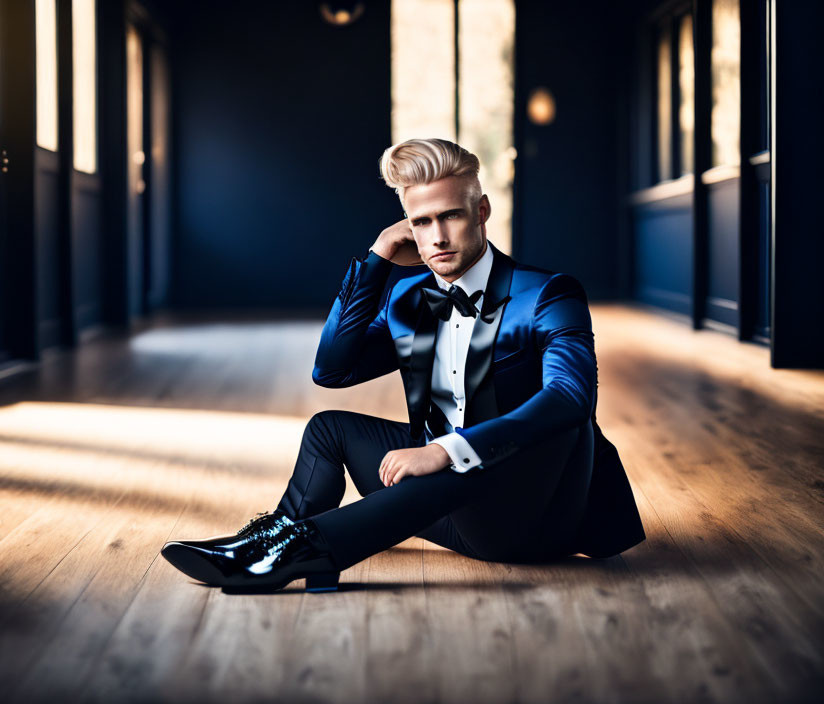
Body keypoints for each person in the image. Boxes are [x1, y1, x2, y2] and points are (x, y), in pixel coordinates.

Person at [161, 138, 645, 594]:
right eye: (421, 222)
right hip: (448, 511)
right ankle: (272, 537)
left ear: (481, 212)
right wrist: (377, 260)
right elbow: (332, 370)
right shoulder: (409, 297)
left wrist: (449, 450)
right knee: (329, 430)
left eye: (450, 216)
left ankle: (306, 553)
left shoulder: (547, 294)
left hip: (526, 516)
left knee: (489, 448)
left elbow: (569, 399)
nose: (436, 238)